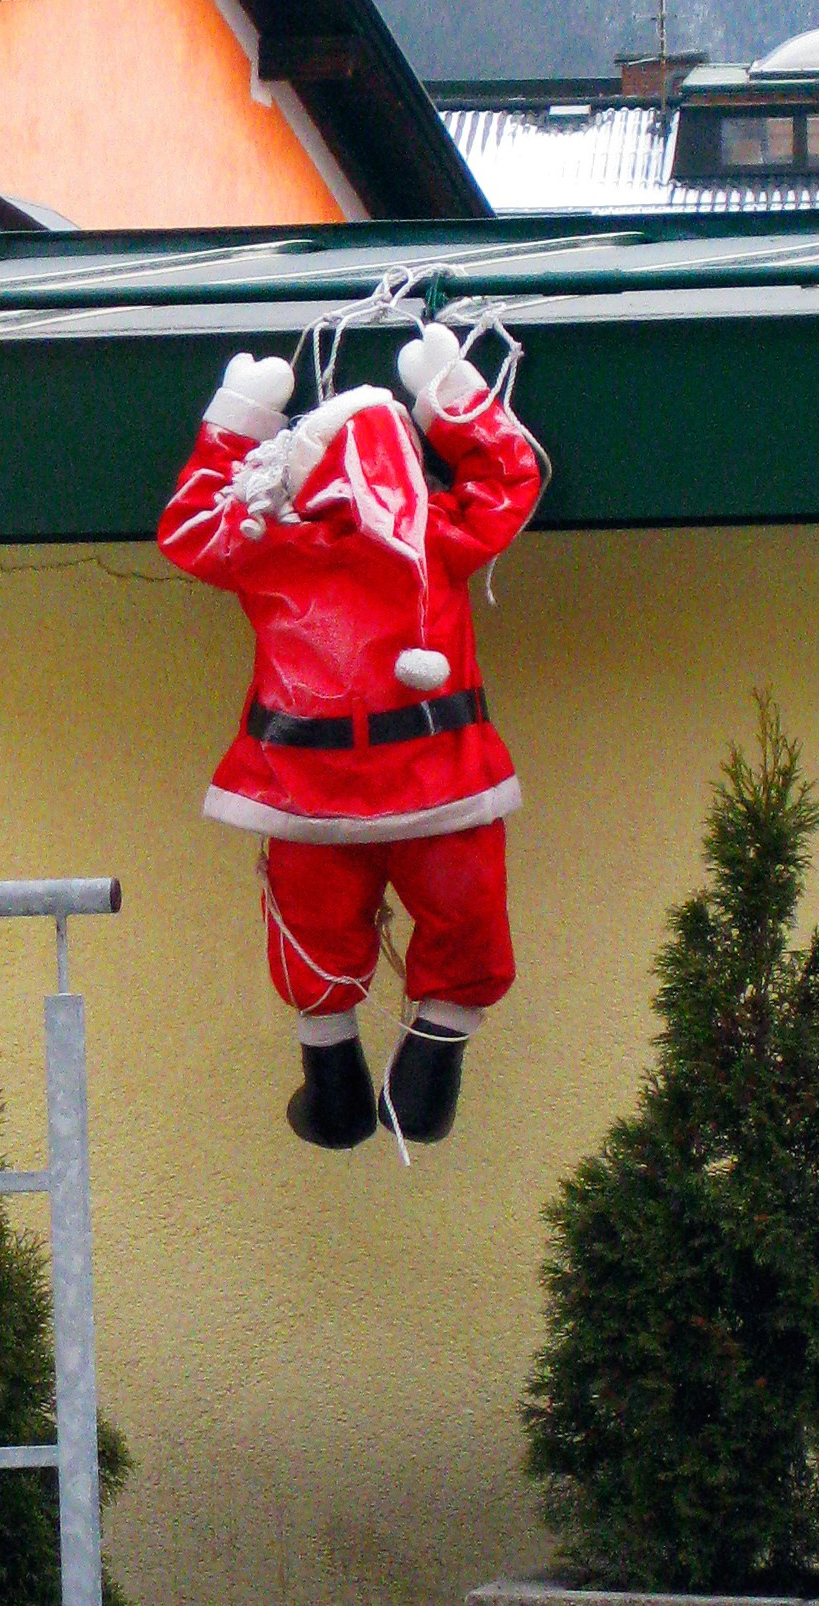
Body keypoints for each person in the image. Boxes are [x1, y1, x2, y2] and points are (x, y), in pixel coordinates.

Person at [157, 325, 545, 1150]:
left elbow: (189, 528)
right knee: (463, 921)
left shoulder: (269, 544)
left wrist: (239, 421)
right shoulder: (438, 536)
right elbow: (509, 477)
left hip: (306, 798)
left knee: (313, 931)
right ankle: (430, 1067)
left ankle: (331, 1083)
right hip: (443, 787)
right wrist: (451, 395)